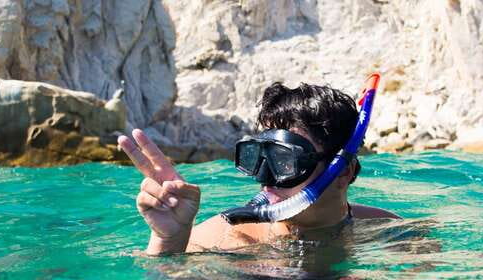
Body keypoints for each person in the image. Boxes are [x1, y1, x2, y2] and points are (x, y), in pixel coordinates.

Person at [118, 82, 400, 255]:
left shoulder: (390, 233)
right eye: (259, 158)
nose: (267, 182)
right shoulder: (231, 236)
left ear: (343, 173)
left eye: (284, 161)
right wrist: (168, 240)